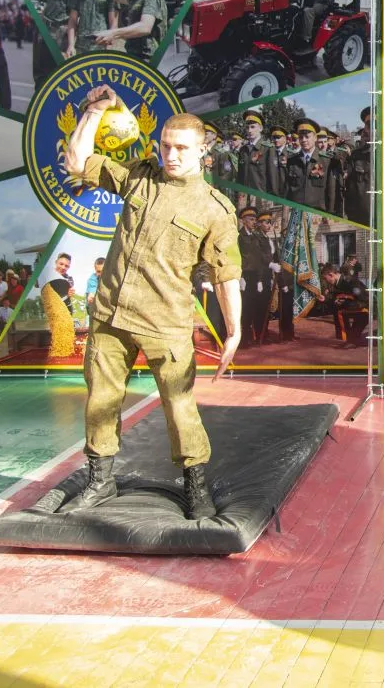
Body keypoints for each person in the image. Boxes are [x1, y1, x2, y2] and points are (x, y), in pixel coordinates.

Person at [58, 85, 242, 520]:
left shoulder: (215, 209)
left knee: (179, 407)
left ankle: (195, 485)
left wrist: (234, 331)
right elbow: (78, 162)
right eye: (165, 146)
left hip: (166, 321)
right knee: (101, 400)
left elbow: (226, 273)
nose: (171, 155)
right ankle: (100, 481)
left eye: (182, 148)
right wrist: (94, 111)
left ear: (203, 151)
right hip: (111, 314)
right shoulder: (140, 177)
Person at [35, 0, 78, 79]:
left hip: (61, 33)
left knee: (59, 71)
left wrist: (71, 42)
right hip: (46, 32)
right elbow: (45, 6)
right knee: (44, 69)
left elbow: (75, 16)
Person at [237, 206, 276, 346]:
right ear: (243, 221)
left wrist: (259, 279)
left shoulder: (254, 237)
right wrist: (240, 276)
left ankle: (256, 337)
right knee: (245, 308)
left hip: (255, 277)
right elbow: (238, 257)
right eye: (251, 219)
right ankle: (244, 339)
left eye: (255, 219)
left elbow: (259, 259)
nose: (254, 222)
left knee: (255, 307)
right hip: (245, 277)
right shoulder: (239, 237)